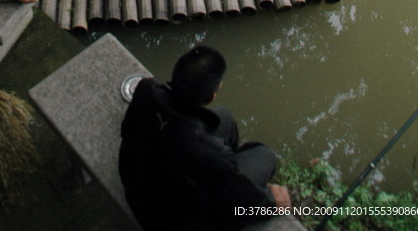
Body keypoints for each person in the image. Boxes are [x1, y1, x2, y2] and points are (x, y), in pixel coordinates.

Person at [119, 45, 290, 231]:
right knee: (265, 154)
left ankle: (226, 171)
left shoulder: (147, 88)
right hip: (164, 221)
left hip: (140, 186)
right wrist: (272, 203)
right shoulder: (204, 152)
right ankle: (227, 174)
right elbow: (240, 208)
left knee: (224, 116)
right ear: (211, 97)